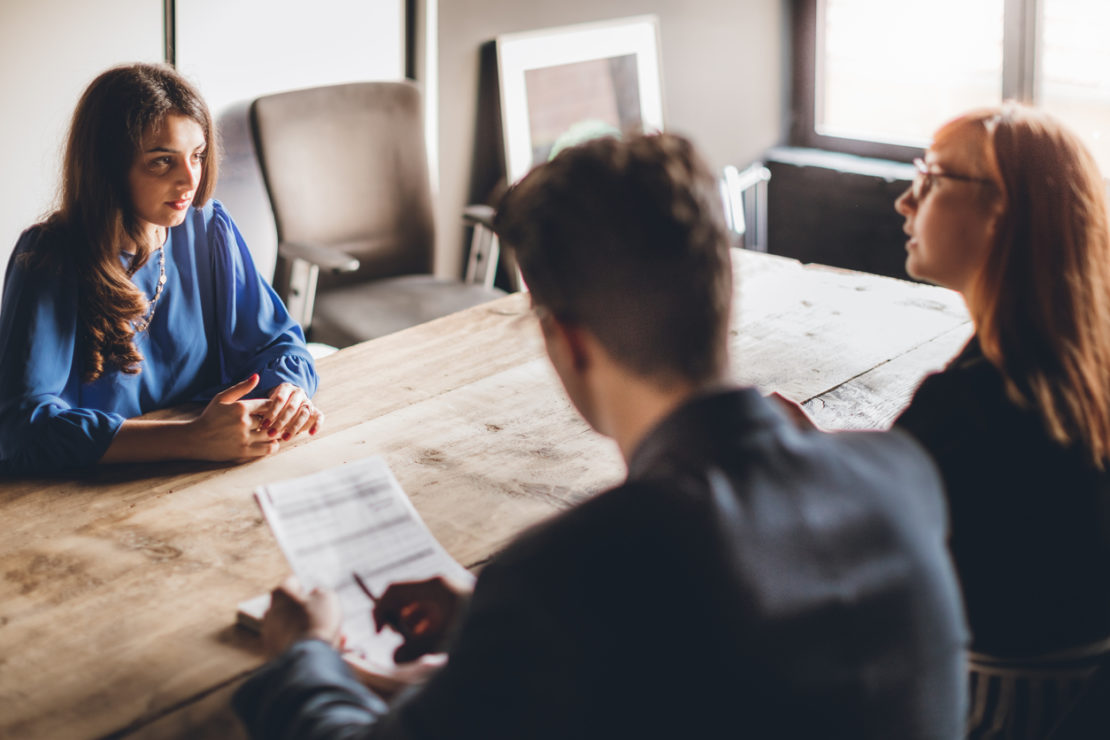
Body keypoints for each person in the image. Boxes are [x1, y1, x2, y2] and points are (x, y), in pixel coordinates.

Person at [233, 132, 968, 739]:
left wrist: (303, 656)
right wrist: (487, 622)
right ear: (720, 290)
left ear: (568, 342)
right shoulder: (900, 476)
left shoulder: (567, 577)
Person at [890, 104, 1110, 738]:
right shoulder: (1070, 370)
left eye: (931, 179)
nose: (907, 202)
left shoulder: (968, 409)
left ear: (1003, 213)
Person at [0, 63, 323, 475]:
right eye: (161, 162)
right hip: (88, 492)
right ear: (109, 168)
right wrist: (191, 438)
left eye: (198, 156)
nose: (190, 179)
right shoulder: (48, 260)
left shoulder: (207, 227)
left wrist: (288, 393)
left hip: (204, 473)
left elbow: (279, 342)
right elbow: (22, 430)